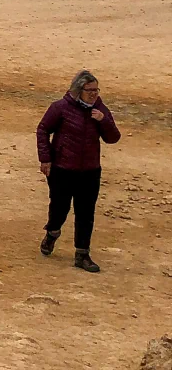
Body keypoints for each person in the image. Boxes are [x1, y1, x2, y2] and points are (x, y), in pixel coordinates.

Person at [36, 70, 121, 273]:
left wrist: (104, 121)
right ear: (78, 90)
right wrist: (45, 158)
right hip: (62, 169)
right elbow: (43, 130)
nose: (94, 94)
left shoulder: (100, 110)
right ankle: (52, 233)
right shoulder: (61, 108)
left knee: (86, 213)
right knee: (59, 208)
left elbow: (113, 138)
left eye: (96, 90)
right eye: (89, 90)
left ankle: (82, 254)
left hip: (90, 171)